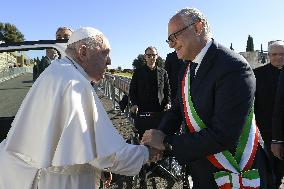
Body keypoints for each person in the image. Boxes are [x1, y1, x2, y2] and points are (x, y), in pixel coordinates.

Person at [0, 27, 159, 189]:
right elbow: (108, 155)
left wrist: (99, 166)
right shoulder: (74, 83)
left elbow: (87, 148)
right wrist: (146, 153)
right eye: (105, 53)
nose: (110, 61)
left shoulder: (59, 71)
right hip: (52, 181)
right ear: (83, 52)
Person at [142, 7, 269, 189]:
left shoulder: (233, 67)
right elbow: (179, 108)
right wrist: (159, 135)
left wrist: (166, 143)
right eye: (169, 39)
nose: (171, 44)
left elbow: (224, 135)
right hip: (202, 168)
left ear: (198, 27)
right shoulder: (187, 67)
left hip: (233, 170)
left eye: (174, 36)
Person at [254, 40, 284, 188]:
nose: (278, 57)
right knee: (269, 174)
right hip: (265, 133)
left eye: (282, 54)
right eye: (274, 54)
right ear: (268, 55)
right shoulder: (257, 75)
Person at [129, 46, 171, 137]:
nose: (151, 58)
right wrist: (134, 104)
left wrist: (168, 103)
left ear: (157, 56)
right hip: (143, 110)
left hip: (159, 110)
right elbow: (132, 90)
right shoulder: (138, 72)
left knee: (158, 136)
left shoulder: (163, 72)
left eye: (153, 55)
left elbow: (167, 90)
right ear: (145, 56)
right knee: (143, 136)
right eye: (149, 55)